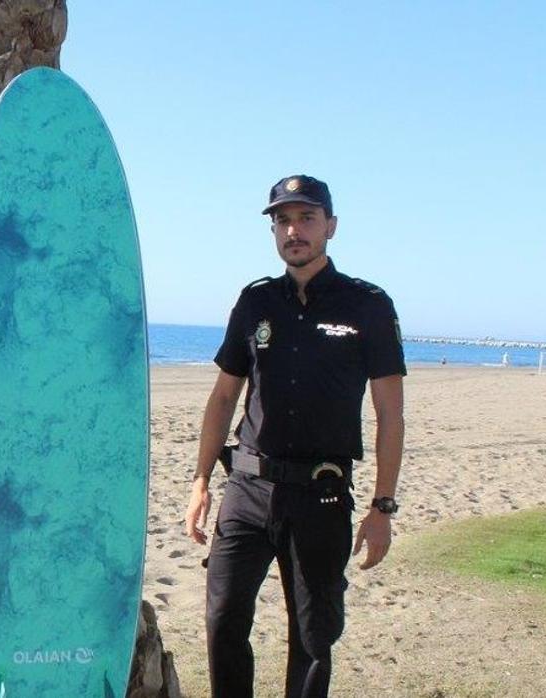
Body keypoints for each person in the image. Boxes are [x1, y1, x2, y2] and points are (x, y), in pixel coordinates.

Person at [184, 175, 406, 698]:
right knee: (222, 620)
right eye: (283, 220)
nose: (293, 230)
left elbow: (390, 415)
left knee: (312, 637)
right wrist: (200, 481)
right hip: (247, 487)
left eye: (306, 218)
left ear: (330, 226)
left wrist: (382, 507)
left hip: (321, 494)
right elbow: (223, 398)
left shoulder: (367, 305)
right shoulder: (256, 302)